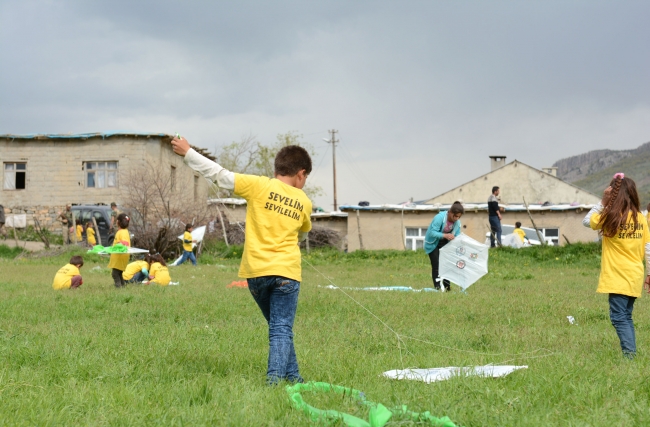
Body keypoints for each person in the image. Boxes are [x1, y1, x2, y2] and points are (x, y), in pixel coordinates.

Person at [171, 135, 312, 385]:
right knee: (281, 329)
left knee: (279, 329)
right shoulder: (304, 201)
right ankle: (274, 384)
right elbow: (302, 233)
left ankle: (295, 377)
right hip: (288, 274)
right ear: (301, 174)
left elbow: (219, 174)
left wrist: (188, 152)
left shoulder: (258, 186)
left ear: (277, 169)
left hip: (256, 273)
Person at [582, 173, 650, 359]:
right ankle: (630, 354)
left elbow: (587, 221)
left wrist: (603, 202)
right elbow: (648, 248)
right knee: (625, 315)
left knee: (620, 317)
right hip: (635, 274)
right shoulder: (640, 219)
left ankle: (630, 356)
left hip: (617, 276)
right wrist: (649, 274)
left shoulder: (610, 217)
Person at [424, 202, 464, 292]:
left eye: (459, 217)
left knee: (447, 265)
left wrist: (456, 239)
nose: (456, 219)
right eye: (455, 216)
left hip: (445, 243)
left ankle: (447, 288)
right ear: (450, 212)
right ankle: (437, 288)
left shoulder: (457, 223)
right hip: (433, 243)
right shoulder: (439, 218)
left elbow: (457, 234)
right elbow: (432, 232)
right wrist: (445, 235)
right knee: (436, 266)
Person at [107, 213, 131, 288]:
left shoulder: (122, 232)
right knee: (119, 273)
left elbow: (125, 243)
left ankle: (118, 287)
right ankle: (122, 287)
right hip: (121, 256)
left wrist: (117, 245)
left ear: (117, 222)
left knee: (115, 274)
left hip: (119, 256)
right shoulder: (125, 231)